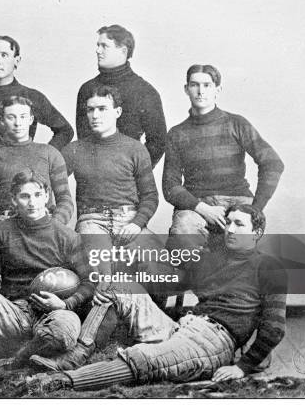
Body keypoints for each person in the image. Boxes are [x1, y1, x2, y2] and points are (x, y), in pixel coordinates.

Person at [27, 204, 287, 391]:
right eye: (228, 222)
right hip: (181, 327)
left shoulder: (270, 267)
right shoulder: (211, 259)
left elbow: (274, 328)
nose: (230, 229)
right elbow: (170, 278)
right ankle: (77, 355)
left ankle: (64, 381)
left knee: (145, 358)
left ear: (257, 233)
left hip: (213, 341)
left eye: (239, 224)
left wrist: (243, 367)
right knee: (118, 285)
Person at [0, 170, 94, 397]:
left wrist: (65, 304)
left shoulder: (66, 236)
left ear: (47, 196)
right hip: (14, 311)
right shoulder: (2, 230)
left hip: (52, 313)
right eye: (25, 196)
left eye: (38, 195)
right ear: (13, 200)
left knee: (64, 331)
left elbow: (90, 281)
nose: (32, 203)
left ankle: (17, 361)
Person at [163, 64, 284, 251]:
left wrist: (255, 209)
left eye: (207, 85)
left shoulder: (236, 124)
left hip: (238, 202)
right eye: (195, 85)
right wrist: (203, 208)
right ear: (186, 89)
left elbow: (273, 163)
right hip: (197, 206)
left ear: (217, 89)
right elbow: (170, 186)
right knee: (183, 239)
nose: (200, 91)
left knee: (248, 256)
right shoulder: (176, 133)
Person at [62, 85, 161, 284]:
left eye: (102, 109)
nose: (95, 115)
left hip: (129, 219)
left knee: (158, 267)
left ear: (118, 112)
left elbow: (150, 196)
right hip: (92, 220)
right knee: (99, 273)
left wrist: (136, 224)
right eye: (90, 110)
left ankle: (149, 314)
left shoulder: (135, 149)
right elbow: (52, 186)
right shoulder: (74, 149)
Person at [0, 95, 74, 238]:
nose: (18, 123)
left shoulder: (50, 153)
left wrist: (53, 224)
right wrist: (0, 225)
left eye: (23, 116)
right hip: (6, 230)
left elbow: (65, 200)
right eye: (11, 117)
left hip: (44, 228)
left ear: (31, 119)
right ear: (2, 120)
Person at [76, 25, 166, 168]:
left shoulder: (144, 91)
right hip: (93, 174)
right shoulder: (87, 89)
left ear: (123, 51)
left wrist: (135, 172)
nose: (97, 50)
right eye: (98, 45)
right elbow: (83, 139)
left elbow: (158, 142)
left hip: (129, 182)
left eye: (104, 46)